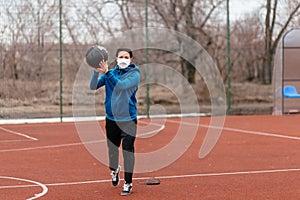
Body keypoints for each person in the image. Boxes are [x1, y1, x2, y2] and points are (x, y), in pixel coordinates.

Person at [90, 48, 140, 196]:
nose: (123, 59)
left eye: (126, 57)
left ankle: (128, 183)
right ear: (116, 59)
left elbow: (121, 86)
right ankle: (115, 170)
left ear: (130, 59)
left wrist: (107, 73)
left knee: (128, 149)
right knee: (112, 153)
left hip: (129, 119)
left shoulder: (134, 74)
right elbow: (93, 86)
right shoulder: (110, 73)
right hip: (111, 120)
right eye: (121, 57)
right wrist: (95, 72)